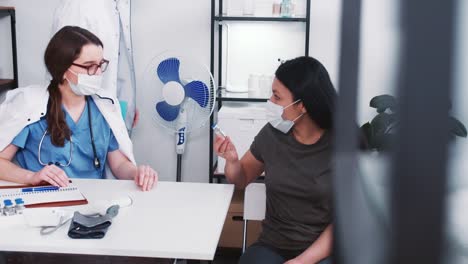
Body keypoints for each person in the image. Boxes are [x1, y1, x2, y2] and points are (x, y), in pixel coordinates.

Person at [0, 26, 157, 191]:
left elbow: (118, 164)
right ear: (62, 69)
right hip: (45, 198)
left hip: (92, 200)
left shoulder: (104, 108)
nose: (97, 73)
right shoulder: (31, 106)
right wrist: (31, 177)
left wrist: (136, 172)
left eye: (100, 64)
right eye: (89, 66)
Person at [214, 56, 335, 264]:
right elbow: (241, 179)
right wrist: (232, 161)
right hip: (274, 245)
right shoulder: (272, 134)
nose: (270, 101)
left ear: (302, 105)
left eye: (277, 97)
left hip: (323, 250)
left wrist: (301, 261)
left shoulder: (343, 143)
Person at [51, 0, 138, 132]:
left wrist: (129, 104)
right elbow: (64, 66)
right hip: (86, 115)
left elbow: (120, 57)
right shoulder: (79, 6)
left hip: (117, 107)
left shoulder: (120, 5)